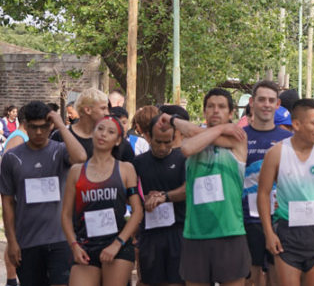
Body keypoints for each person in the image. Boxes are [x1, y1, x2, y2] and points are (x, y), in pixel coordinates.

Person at [258, 98, 314, 286]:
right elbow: (263, 194)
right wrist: (268, 233)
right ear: (296, 124)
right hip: (287, 233)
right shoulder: (276, 153)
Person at [1, 102, 88, 286]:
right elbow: (7, 202)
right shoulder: (12, 158)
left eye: (43, 127)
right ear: (25, 125)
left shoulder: (60, 150)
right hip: (28, 240)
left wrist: (59, 123)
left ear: (50, 126)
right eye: (33, 127)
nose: (39, 132)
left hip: (60, 239)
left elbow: (81, 157)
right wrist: (12, 241)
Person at [177, 88, 250, 286]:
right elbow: (187, 148)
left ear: (231, 112)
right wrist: (218, 129)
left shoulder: (237, 140)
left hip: (230, 232)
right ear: (204, 111)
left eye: (221, 107)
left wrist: (221, 130)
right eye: (210, 107)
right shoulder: (192, 139)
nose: (215, 111)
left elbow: (192, 132)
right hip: (195, 233)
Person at [61, 116, 142, 286]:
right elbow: (66, 215)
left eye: (111, 131)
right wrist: (74, 245)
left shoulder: (126, 169)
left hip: (117, 244)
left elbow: (137, 211)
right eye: (100, 129)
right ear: (92, 133)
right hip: (86, 245)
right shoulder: (76, 171)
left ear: (118, 140)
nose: (103, 134)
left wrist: (118, 243)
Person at [240, 80, 294, 286]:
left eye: (271, 100)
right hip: (247, 218)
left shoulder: (288, 138)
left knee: (277, 278)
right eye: (261, 99)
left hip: (280, 218)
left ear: (278, 104)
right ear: (252, 102)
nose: (266, 104)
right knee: (250, 279)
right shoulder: (240, 136)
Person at [133, 112, 187, 286]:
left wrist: (165, 197)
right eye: (158, 142)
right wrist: (143, 199)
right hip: (150, 233)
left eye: (167, 142)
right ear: (148, 137)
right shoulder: (138, 162)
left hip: (177, 230)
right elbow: (130, 194)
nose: (163, 147)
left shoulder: (182, 159)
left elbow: (189, 189)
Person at [52, 89, 135, 163]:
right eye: (103, 108)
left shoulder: (114, 139)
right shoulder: (60, 136)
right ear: (88, 110)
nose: (107, 113)